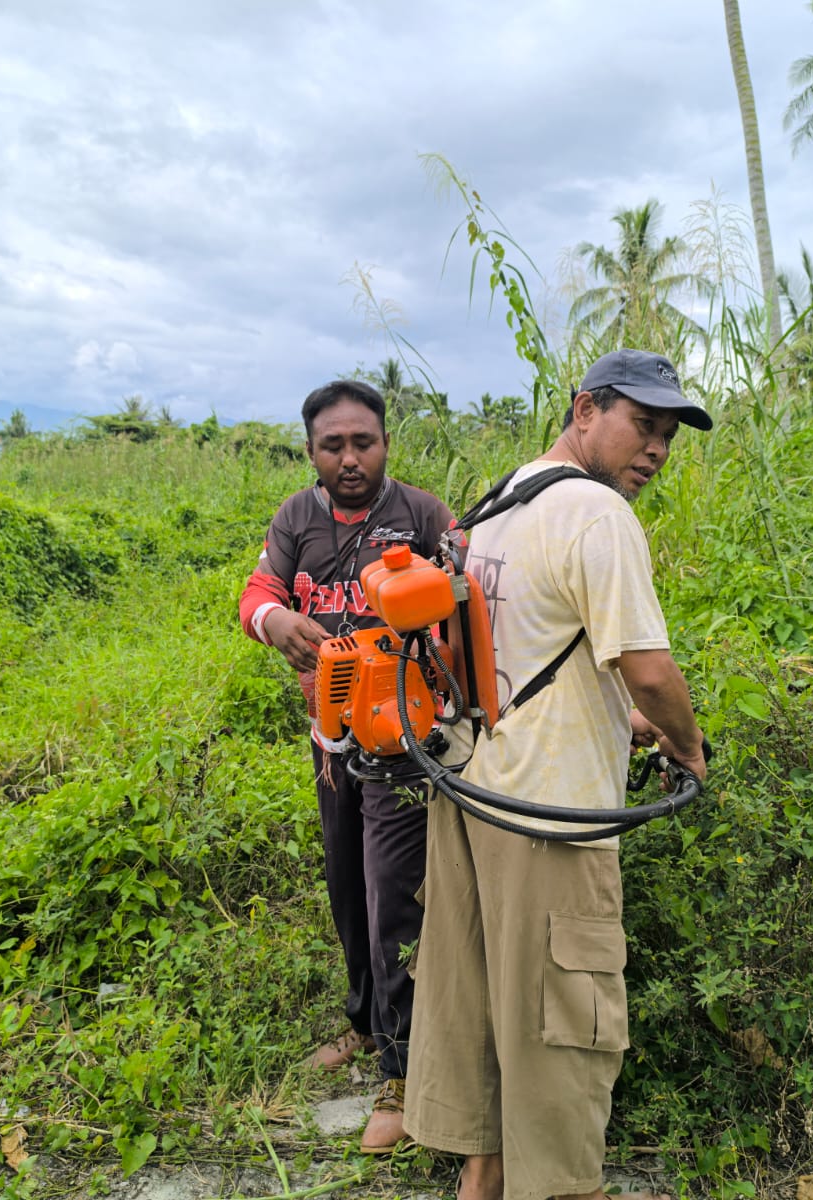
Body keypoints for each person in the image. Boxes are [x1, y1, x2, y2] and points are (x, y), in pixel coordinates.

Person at [402, 349, 710, 1200]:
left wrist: (623, 723)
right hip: (549, 819)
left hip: (474, 797)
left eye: (668, 435)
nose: (656, 450)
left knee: (483, 1020)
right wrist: (685, 744)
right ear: (585, 410)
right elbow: (648, 670)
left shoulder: (502, 501)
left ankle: (482, 1181)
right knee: (563, 1034)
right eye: (642, 425)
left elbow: (525, 648)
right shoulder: (597, 514)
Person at [238, 379, 453, 1153]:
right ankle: (364, 1022)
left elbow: (470, 600)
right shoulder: (297, 518)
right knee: (347, 885)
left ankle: (403, 1070)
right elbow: (257, 592)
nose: (350, 458)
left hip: (404, 743)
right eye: (333, 446)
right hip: (331, 742)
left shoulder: (423, 517)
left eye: (364, 442)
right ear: (311, 451)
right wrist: (275, 621)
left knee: (394, 895)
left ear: (386, 443)